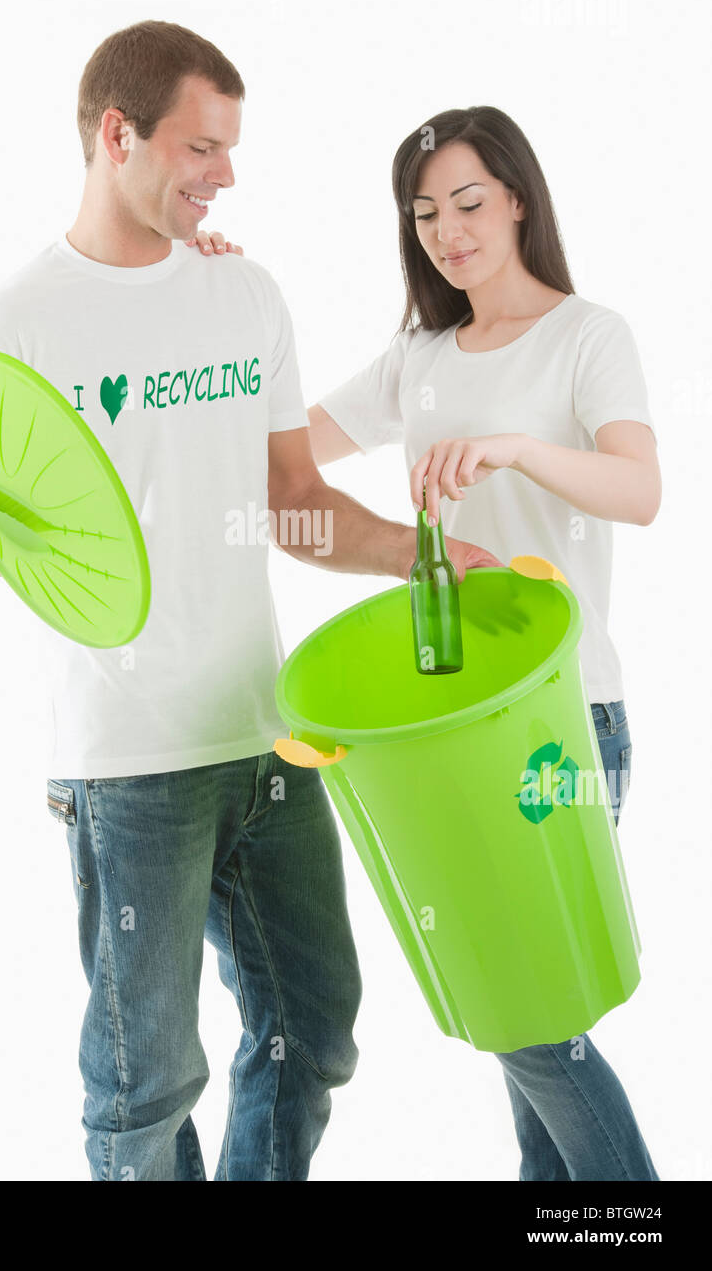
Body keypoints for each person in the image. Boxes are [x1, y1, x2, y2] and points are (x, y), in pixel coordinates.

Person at [0, 23, 500, 1182]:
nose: (224, 174)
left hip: (268, 736)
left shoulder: (242, 293)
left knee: (311, 1027)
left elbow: (291, 500)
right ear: (116, 134)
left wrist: (428, 556)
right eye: (200, 146)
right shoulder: (14, 321)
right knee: (141, 1087)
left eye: (228, 149)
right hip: (125, 765)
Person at [304, 105, 662, 1181]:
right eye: (423, 214)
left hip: (560, 721)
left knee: (524, 1016)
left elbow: (637, 490)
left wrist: (514, 450)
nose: (447, 231)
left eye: (466, 202)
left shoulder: (586, 335)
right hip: (446, 735)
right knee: (521, 1012)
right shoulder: (416, 353)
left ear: (515, 196)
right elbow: (284, 454)